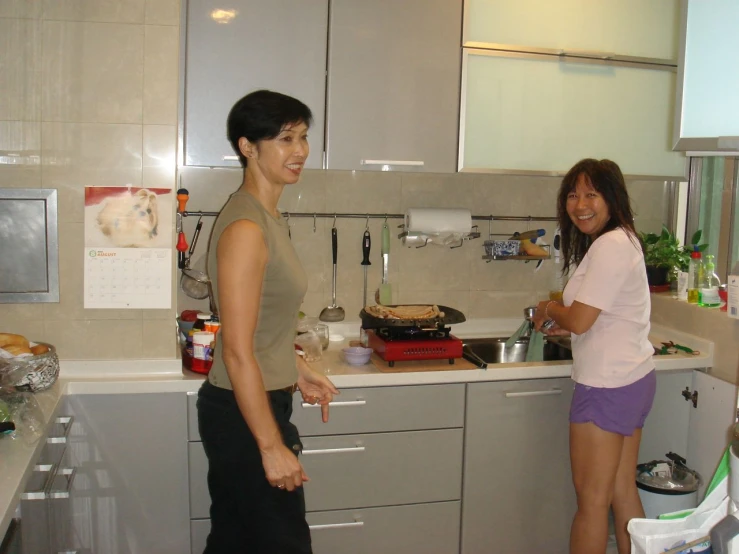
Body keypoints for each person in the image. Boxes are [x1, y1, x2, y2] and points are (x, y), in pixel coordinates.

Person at [197, 89, 339, 554]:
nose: (299, 150)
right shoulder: (246, 228)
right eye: (284, 138)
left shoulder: (269, 217)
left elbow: (261, 330)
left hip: (254, 402)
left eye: (302, 137)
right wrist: (270, 447)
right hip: (243, 414)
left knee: (238, 541)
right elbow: (236, 350)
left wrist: (295, 367)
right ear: (247, 146)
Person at [532, 158, 656, 554]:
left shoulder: (610, 245)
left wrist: (550, 310)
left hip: (606, 386)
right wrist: (569, 323)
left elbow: (583, 319)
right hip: (630, 379)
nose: (580, 204)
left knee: (591, 504)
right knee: (622, 494)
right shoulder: (623, 240)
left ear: (611, 198)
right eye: (572, 195)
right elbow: (601, 316)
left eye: (591, 194)